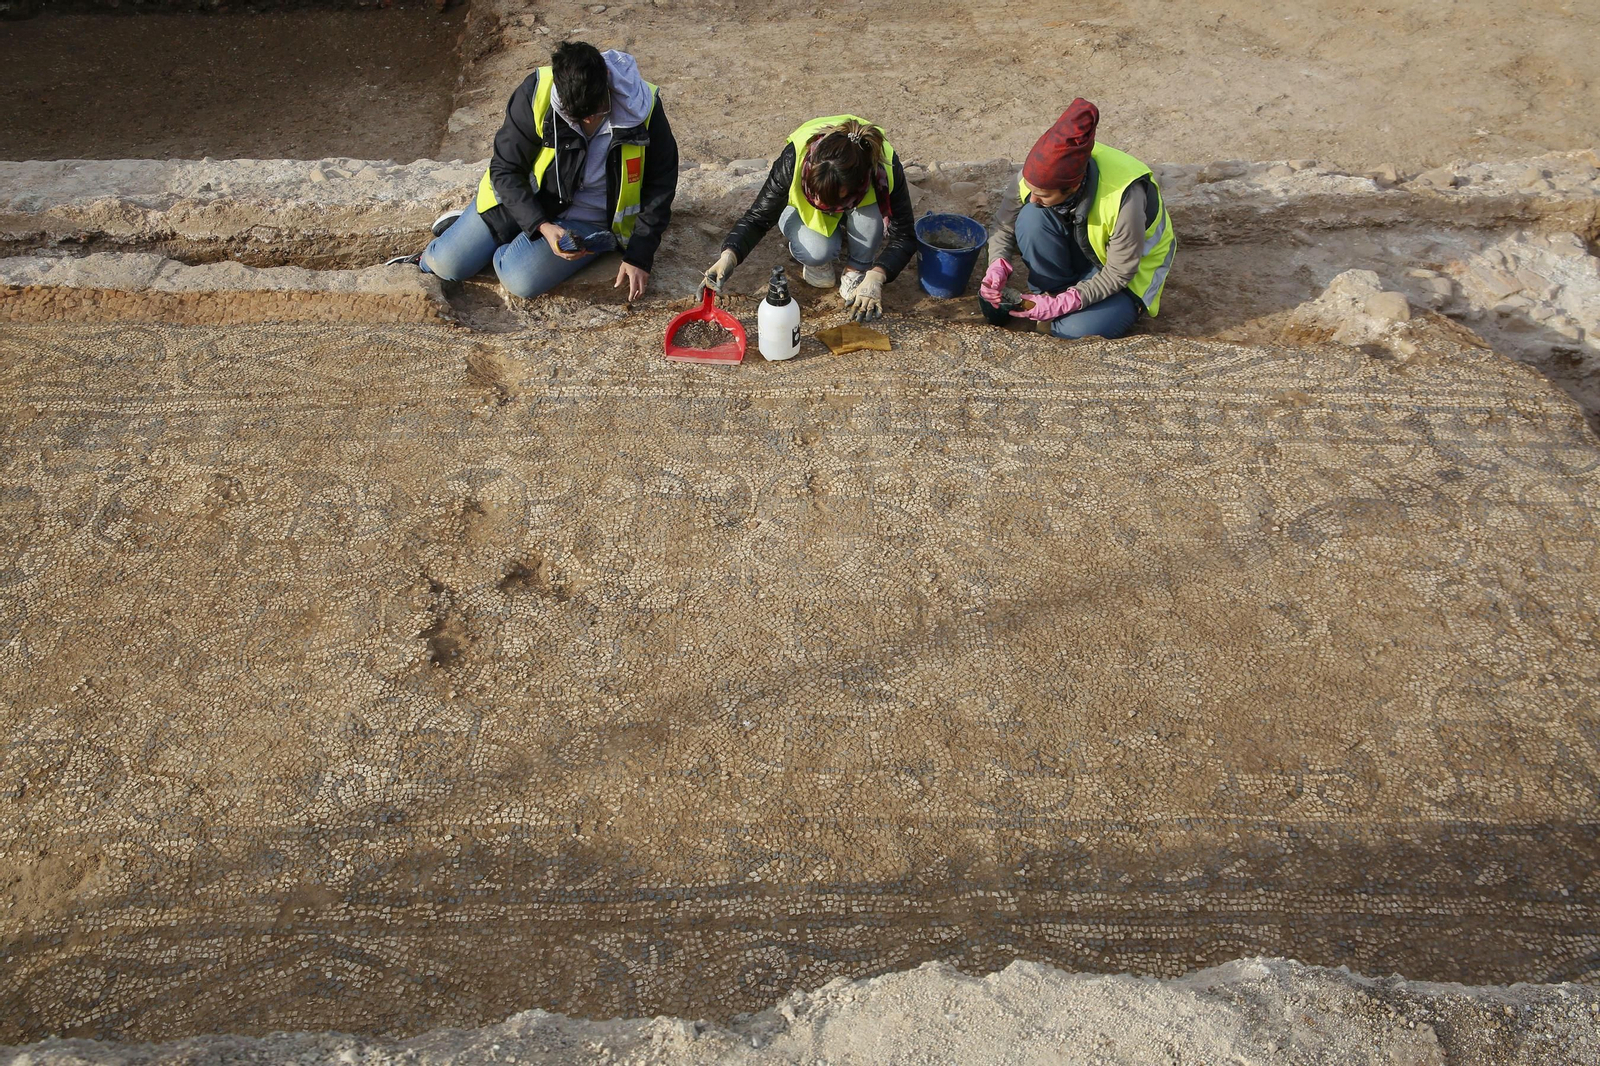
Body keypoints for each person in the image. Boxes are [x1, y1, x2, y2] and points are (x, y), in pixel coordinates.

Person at [388, 42, 678, 302]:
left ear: (607, 82)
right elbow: (505, 169)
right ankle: (448, 245)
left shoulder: (644, 106)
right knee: (448, 264)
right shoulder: (537, 92)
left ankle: (500, 243)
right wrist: (541, 226)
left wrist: (639, 256)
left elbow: (661, 184)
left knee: (518, 279)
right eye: (579, 118)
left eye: (597, 113)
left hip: (587, 220)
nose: (590, 121)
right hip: (525, 202)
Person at [979, 99, 1175, 339]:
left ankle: (1072, 307)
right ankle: (1051, 295)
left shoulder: (1125, 197)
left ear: (1072, 187)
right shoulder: (1037, 172)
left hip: (1128, 274)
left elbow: (1119, 273)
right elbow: (1003, 226)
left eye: (1043, 195)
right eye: (1031, 189)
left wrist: (1067, 302)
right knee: (1031, 217)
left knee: (1073, 331)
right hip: (1084, 245)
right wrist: (997, 265)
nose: (1033, 198)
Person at [700, 116, 916, 322]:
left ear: (860, 184)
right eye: (815, 193)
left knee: (870, 220)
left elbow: (904, 236)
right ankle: (817, 259)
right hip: (801, 212)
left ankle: (856, 270)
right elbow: (758, 218)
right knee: (816, 250)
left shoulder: (883, 168)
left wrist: (877, 275)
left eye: (831, 199)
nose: (820, 202)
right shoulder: (794, 160)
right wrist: (729, 256)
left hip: (859, 202)